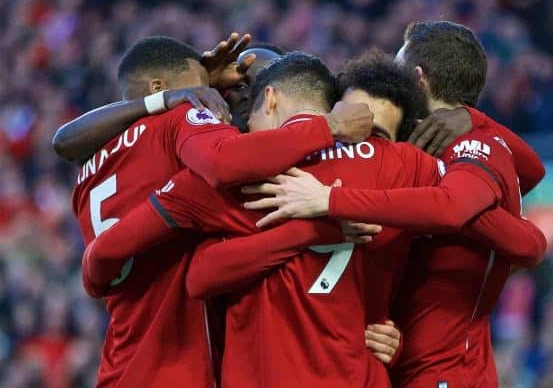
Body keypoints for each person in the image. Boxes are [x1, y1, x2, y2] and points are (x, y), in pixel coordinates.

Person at [81, 51, 544, 387]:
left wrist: (325, 208)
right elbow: (526, 240)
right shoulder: (405, 168)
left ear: (271, 100)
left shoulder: (238, 180)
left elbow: (191, 276)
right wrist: (475, 121)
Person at [242, 22, 547, 388]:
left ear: (416, 77)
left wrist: (331, 200)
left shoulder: (464, 150)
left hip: (446, 373)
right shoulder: (426, 151)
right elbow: (531, 174)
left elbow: (509, 227)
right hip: (402, 363)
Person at [69, 34, 374, 388]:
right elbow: (223, 166)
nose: (231, 96)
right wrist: (330, 130)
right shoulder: (189, 134)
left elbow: (96, 265)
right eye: (215, 87)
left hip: (123, 366)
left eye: (254, 86)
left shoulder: (90, 171)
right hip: (180, 367)